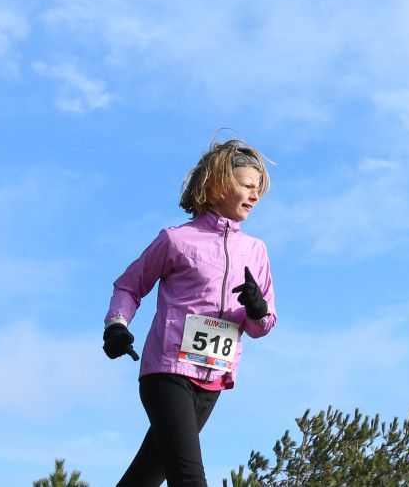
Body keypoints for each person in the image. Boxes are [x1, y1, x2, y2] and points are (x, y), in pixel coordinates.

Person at [101, 139, 278, 487]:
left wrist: (256, 310)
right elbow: (129, 285)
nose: (255, 196)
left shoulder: (256, 250)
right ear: (216, 185)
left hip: (214, 377)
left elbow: (263, 325)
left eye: (258, 190)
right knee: (189, 478)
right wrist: (116, 326)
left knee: (146, 476)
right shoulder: (176, 240)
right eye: (246, 186)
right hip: (167, 370)